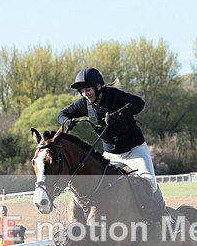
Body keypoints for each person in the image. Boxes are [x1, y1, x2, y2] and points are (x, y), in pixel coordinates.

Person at [57, 67, 167, 223]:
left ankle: (161, 215)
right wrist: (66, 121)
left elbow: (138, 103)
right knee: (98, 184)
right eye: (82, 91)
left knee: (149, 182)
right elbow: (61, 114)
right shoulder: (84, 104)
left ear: (98, 87)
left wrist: (118, 113)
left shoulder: (113, 96)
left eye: (88, 90)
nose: (85, 94)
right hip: (111, 154)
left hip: (134, 150)